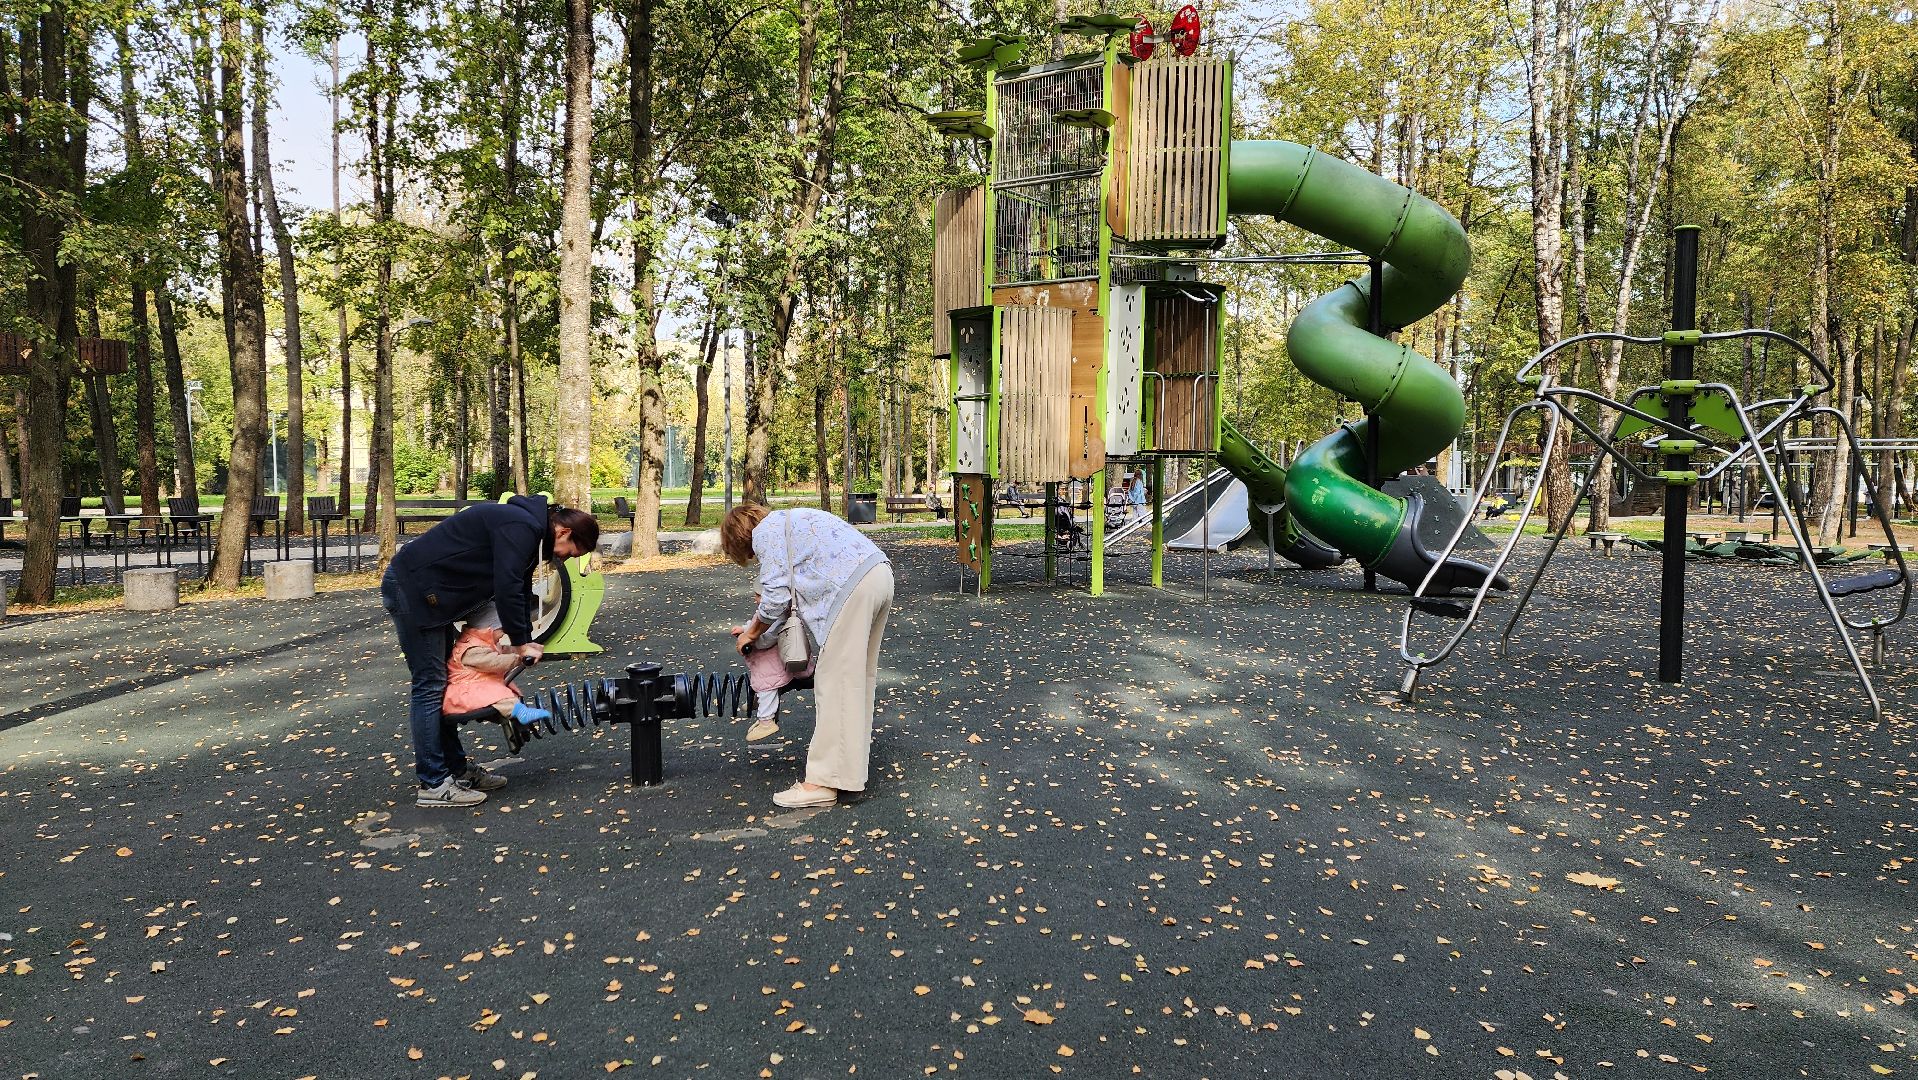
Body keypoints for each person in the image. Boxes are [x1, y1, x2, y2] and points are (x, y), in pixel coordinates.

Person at [381, 495, 598, 807]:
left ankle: (456, 770)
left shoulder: (529, 530)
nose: (561, 559)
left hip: (434, 596)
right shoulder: (521, 526)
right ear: (563, 532)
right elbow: (506, 584)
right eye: (569, 553)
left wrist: (524, 637)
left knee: (442, 682)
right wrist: (521, 642)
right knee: (429, 685)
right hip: (413, 590)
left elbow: (521, 590)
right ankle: (433, 783)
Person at [721, 503, 893, 808]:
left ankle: (822, 783)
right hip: (878, 574)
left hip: (850, 588)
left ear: (741, 537)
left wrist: (751, 634)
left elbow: (775, 597)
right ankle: (849, 778)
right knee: (855, 682)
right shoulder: (792, 520)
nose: (753, 559)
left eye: (748, 555)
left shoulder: (765, 534)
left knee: (833, 683)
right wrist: (755, 626)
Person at [443, 604, 554, 728]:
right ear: (489, 629)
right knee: (495, 694)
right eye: (501, 629)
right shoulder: (471, 649)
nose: (503, 633)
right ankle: (521, 713)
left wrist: (524, 649)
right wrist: (520, 658)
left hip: (477, 683)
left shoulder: (483, 642)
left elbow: (504, 650)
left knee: (499, 692)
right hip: (465, 691)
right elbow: (494, 662)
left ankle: (517, 718)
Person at [731, 596, 815, 743]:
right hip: (773, 660)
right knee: (764, 683)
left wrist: (749, 638)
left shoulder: (777, 615)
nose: (755, 598)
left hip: (773, 661)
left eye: (758, 595)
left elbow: (766, 640)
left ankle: (766, 721)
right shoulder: (769, 611)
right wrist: (745, 629)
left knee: (767, 685)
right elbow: (756, 625)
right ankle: (759, 703)